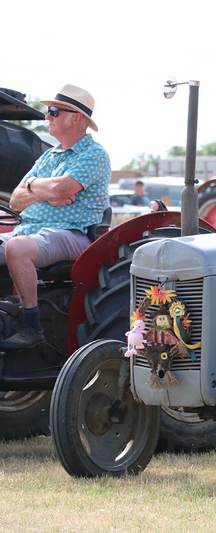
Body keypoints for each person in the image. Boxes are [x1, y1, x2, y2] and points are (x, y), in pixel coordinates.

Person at [1, 84, 110, 348]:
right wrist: (43, 190)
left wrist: (40, 189)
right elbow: (15, 199)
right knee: (17, 243)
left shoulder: (94, 154)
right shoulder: (49, 156)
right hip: (31, 230)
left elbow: (62, 189)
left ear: (77, 118)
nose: (47, 116)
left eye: (54, 111)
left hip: (73, 232)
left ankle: (31, 325)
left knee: (17, 248)